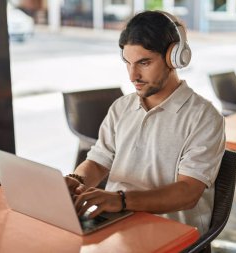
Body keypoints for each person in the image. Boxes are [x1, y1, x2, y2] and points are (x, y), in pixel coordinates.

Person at [65, 10, 225, 235]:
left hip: (173, 234)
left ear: (174, 57)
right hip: (117, 224)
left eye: (144, 63)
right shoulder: (121, 108)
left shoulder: (204, 117)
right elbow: (98, 162)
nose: (133, 75)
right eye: (128, 63)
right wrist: (75, 180)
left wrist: (120, 200)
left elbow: (188, 192)